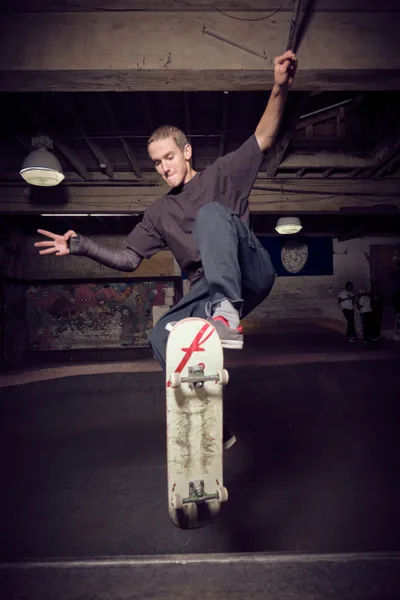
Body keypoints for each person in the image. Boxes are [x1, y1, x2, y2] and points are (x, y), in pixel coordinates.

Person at [34, 50, 298, 449]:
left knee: (211, 214)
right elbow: (127, 259)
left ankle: (227, 314)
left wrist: (280, 86)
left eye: (169, 157)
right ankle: (213, 419)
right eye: (157, 162)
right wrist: (82, 245)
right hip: (205, 291)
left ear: (187, 151)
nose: (164, 167)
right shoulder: (158, 213)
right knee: (161, 335)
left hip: (250, 271)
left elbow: (264, 135)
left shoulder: (223, 174)